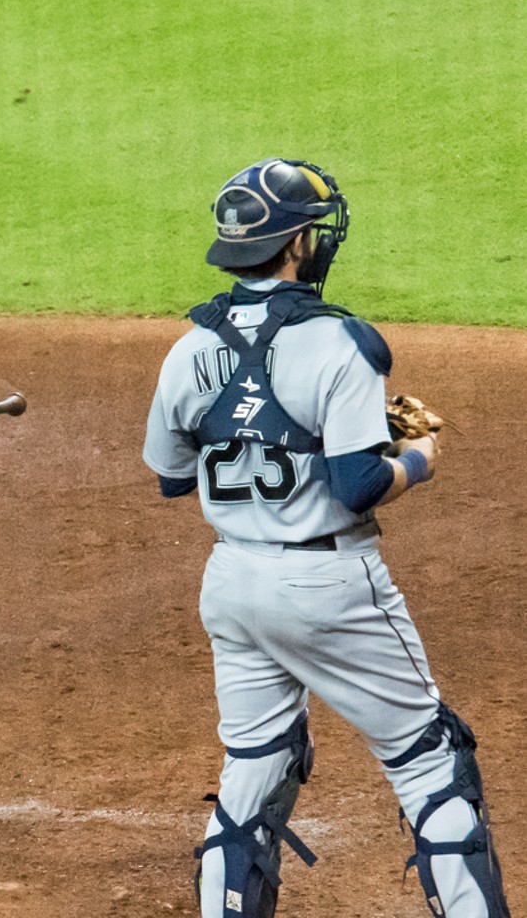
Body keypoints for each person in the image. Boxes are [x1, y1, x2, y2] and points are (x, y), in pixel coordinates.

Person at [143, 158, 511, 918]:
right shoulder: (340, 342)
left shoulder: (185, 350)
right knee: (431, 758)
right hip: (329, 585)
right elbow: (357, 486)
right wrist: (415, 460)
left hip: (233, 585)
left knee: (256, 764)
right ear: (297, 244)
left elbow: (173, 478)